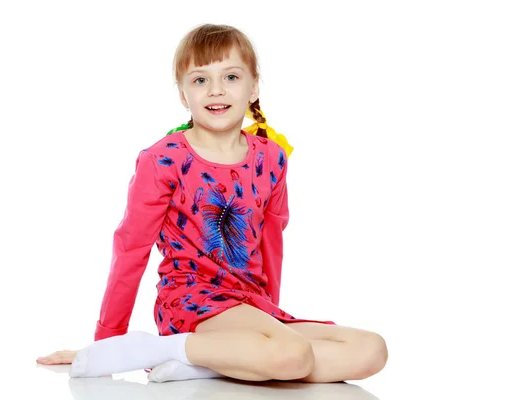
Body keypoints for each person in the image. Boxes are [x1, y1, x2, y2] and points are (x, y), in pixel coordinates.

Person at [36, 23, 388, 383]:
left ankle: (210, 364)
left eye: (231, 77)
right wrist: (106, 343)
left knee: (371, 350)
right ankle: (163, 348)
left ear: (253, 86)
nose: (216, 90)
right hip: (191, 301)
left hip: (249, 304)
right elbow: (130, 249)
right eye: (200, 80)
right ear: (183, 94)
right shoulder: (163, 159)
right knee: (292, 353)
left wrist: (269, 327)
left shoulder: (271, 158)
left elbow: (271, 244)